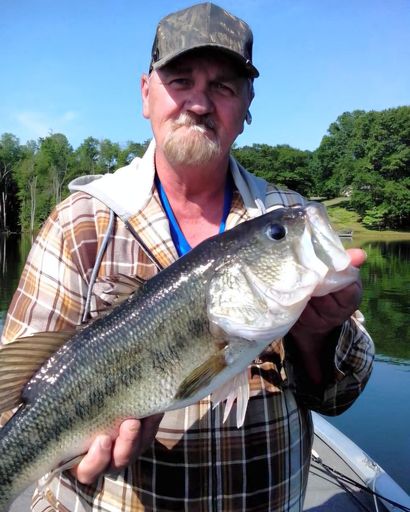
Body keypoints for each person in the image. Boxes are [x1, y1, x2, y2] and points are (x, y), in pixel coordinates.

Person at [1, 3, 374, 511]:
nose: (199, 103)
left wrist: (317, 334)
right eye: (179, 80)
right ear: (145, 95)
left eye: (223, 86)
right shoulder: (79, 223)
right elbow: (11, 399)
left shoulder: (282, 214)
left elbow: (341, 396)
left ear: (246, 106)